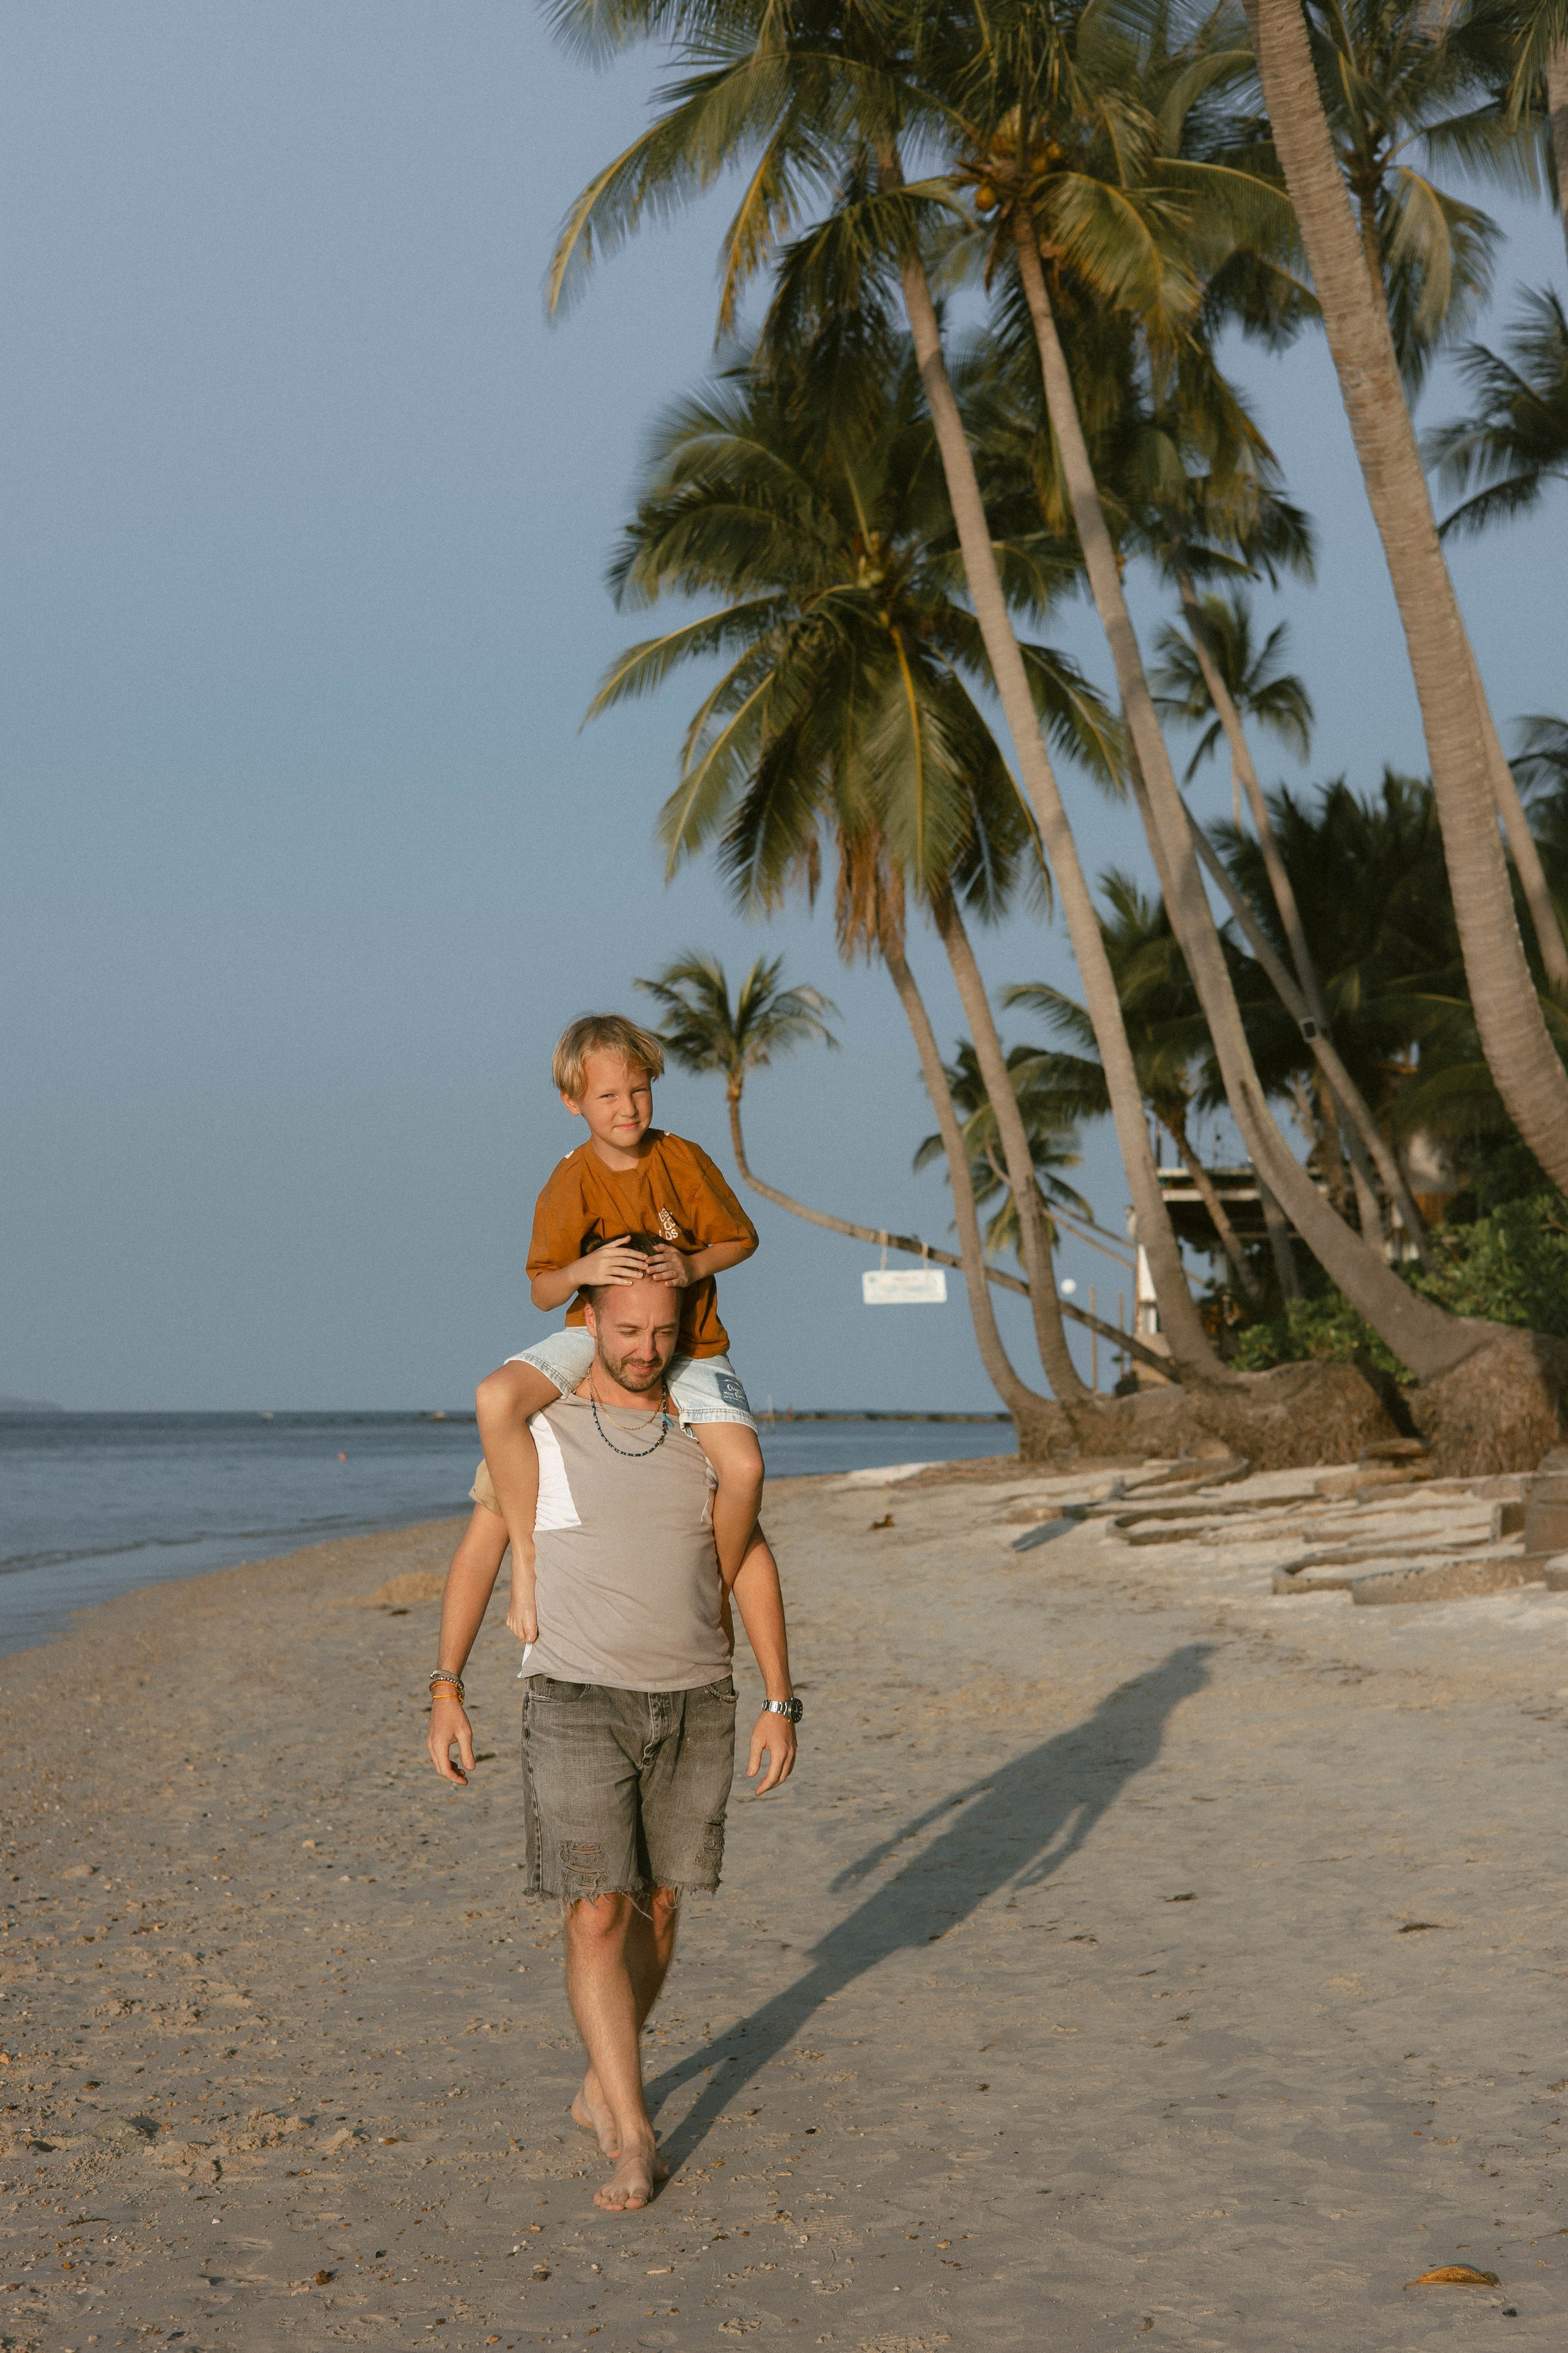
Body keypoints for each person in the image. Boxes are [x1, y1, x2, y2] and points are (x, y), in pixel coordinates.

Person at [426, 1248, 799, 2212]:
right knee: (597, 1908)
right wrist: (447, 1685)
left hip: (697, 1698)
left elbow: (751, 1558)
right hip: (575, 1697)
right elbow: (481, 1552)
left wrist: (778, 1697)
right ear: (588, 1321)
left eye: (665, 1332)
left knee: (662, 1907)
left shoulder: (703, 1428)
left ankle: (607, 2074)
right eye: (628, 1331)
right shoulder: (537, 1429)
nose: (647, 1349)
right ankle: (633, 2137)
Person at [476, 1011, 764, 1648]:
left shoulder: (680, 1158)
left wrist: (691, 1264)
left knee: (744, 1469)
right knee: (495, 1398)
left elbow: (742, 1239)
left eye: (638, 1091)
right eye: (607, 1096)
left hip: (690, 1339)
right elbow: (542, 1289)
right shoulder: (570, 1179)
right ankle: (526, 1562)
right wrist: (584, 1266)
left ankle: (714, 1591)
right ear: (573, 1102)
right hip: (595, 1333)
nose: (626, 1108)